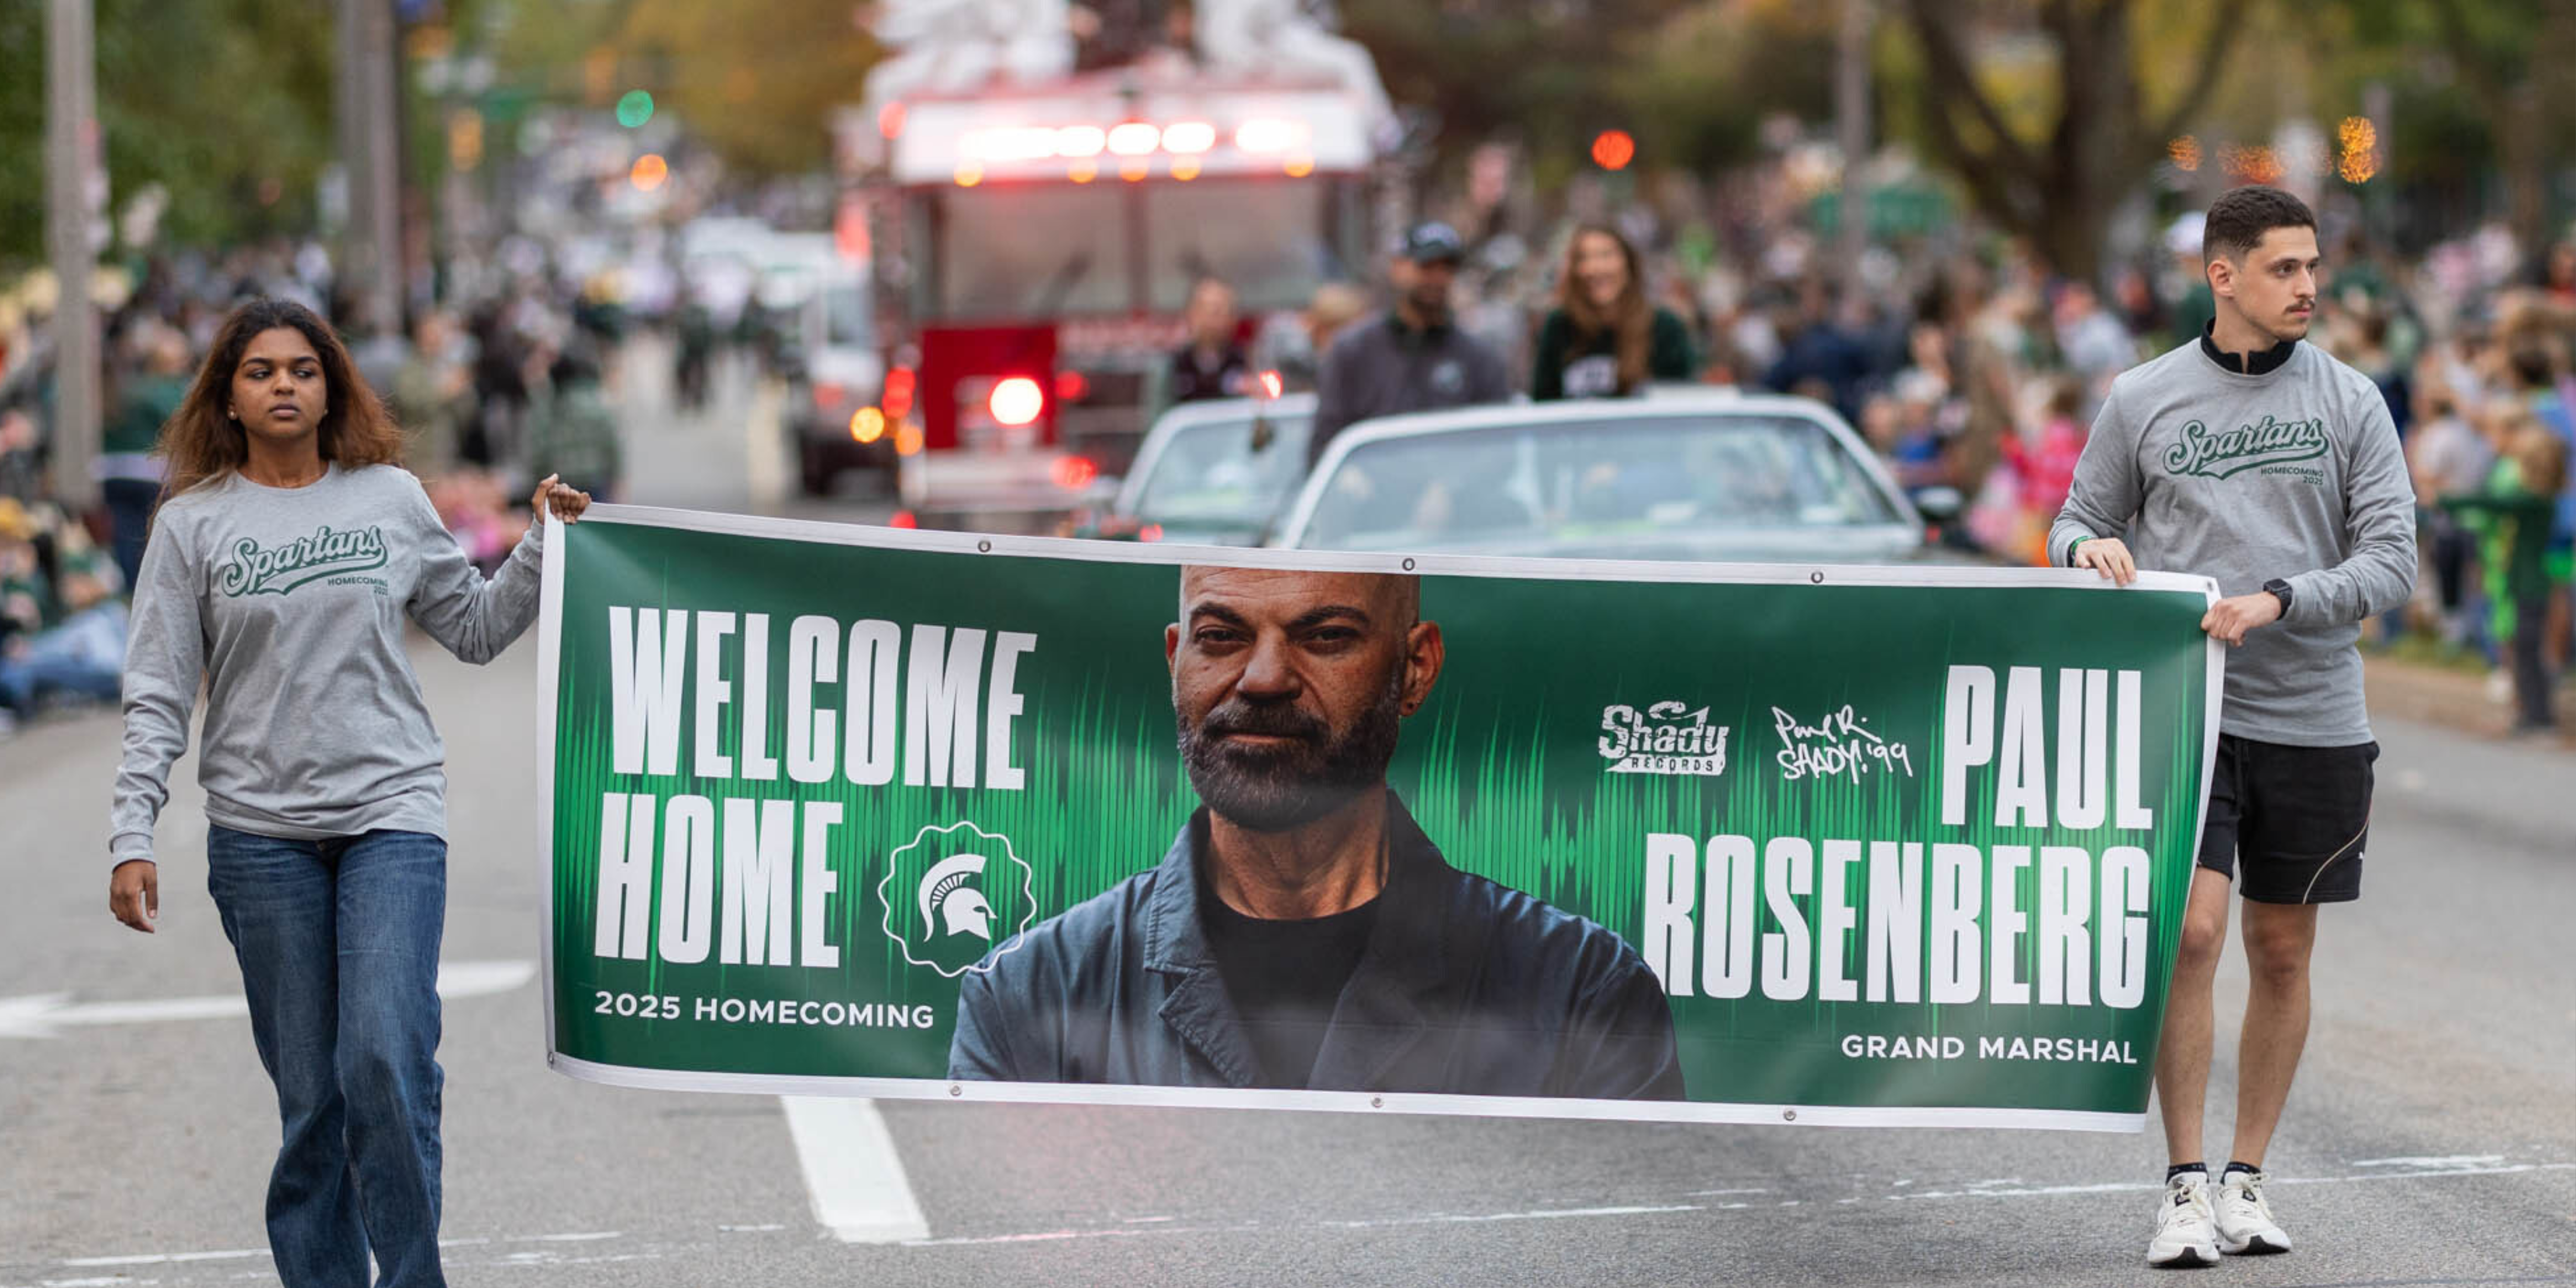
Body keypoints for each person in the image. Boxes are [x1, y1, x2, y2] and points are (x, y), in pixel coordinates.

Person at [105, 297, 591, 1288]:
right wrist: (131, 832)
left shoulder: (389, 499)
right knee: (314, 1101)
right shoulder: (193, 526)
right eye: (260, 372)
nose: (284, 384)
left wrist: (541, 541)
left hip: (391, 817)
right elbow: (157, 692)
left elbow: (477, 630)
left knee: (382, 1058)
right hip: (259, 836)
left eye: (303, 369)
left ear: (332, 389)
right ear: (229, 400)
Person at [2049, 186, 2415, 1268]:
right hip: (2184, 711)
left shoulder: (2353, 402)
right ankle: (2183, 1186)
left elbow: (2392, 562)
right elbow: (2078, 516)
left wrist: (2280, 598)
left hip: (2313, 711)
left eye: (2314, 268)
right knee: (2193, 934)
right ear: (2223, 276)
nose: (2311, 287)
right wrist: (2086, 553)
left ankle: (2247, 1178)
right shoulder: (2144, 395)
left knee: (2281, 949)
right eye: (2286, 269)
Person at [950, 565, 1684, 1099]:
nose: (1264, 678)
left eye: (1326, 636)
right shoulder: (1028, 995)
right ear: (1176, 660)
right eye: (1221, 636)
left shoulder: (1579, 994)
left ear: (1416, 667)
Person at [1307, 222, 1510, 470]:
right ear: (1398, 268)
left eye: (1447, 268)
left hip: (1459, 500)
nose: (1437, 278)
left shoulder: (1479, 358)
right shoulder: (1352, 352)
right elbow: (1325, 445)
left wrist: (1450, 489)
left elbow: (1496, 450)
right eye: (1426, 267)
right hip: (1374, 499)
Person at [1530, 224, 1696, 400]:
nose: (1595, 268)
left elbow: (1679, 402)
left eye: (1606, 255)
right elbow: (1543, 402)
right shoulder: (1559, 326)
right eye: (1584, 258)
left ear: (1628, 264)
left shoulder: (1664, 326)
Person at [1168, 276, 1251, 404]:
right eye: (1213, 311)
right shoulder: (1174, 365)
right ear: (1192, 313)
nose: (1220, 320)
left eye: (1227, 311)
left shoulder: (1245, 360)